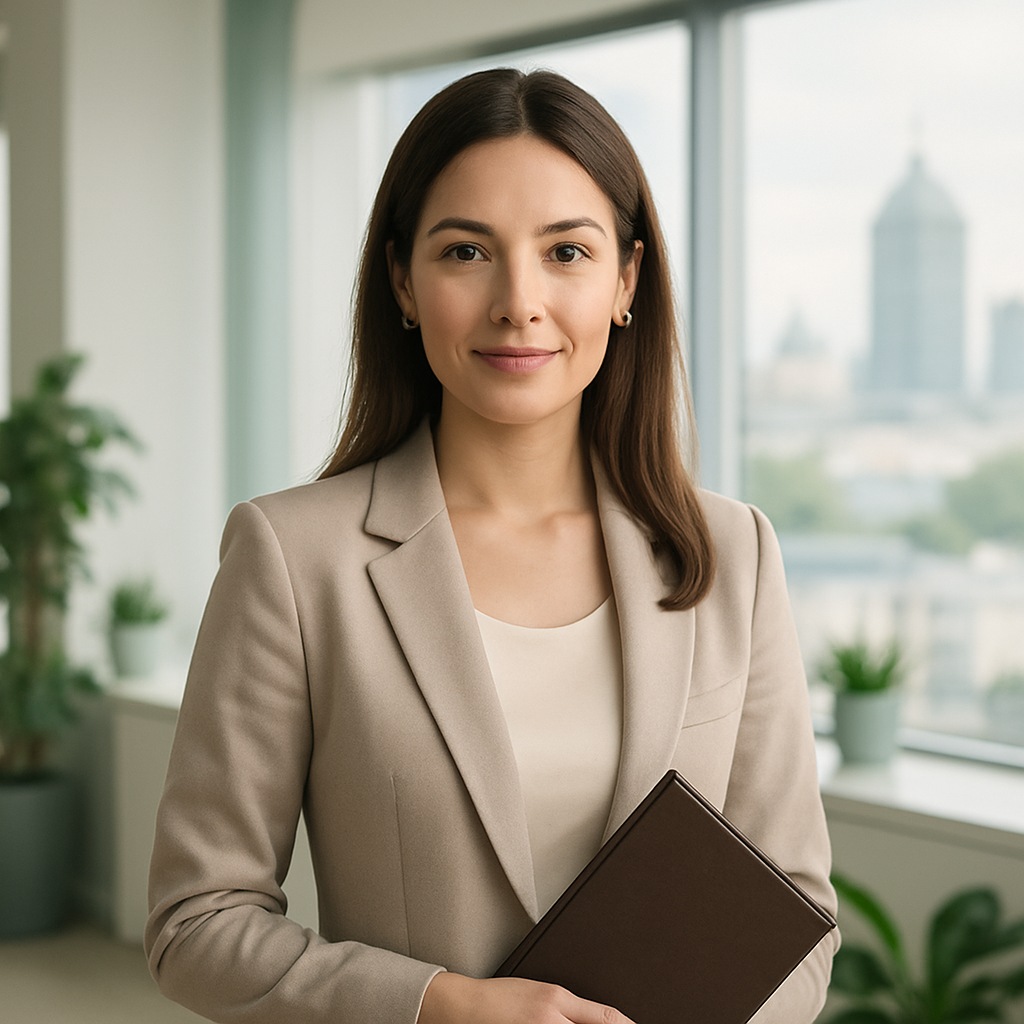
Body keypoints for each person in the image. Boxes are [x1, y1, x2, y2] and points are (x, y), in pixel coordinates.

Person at [145, 68, 838, 1024]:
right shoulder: (295, 559)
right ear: (403, 280)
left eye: (566, 252)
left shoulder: (731, 554)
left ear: (626, 281)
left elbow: (794, 914)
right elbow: (197, 923)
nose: (519, 301)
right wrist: (440, 1005)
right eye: (467, 251)